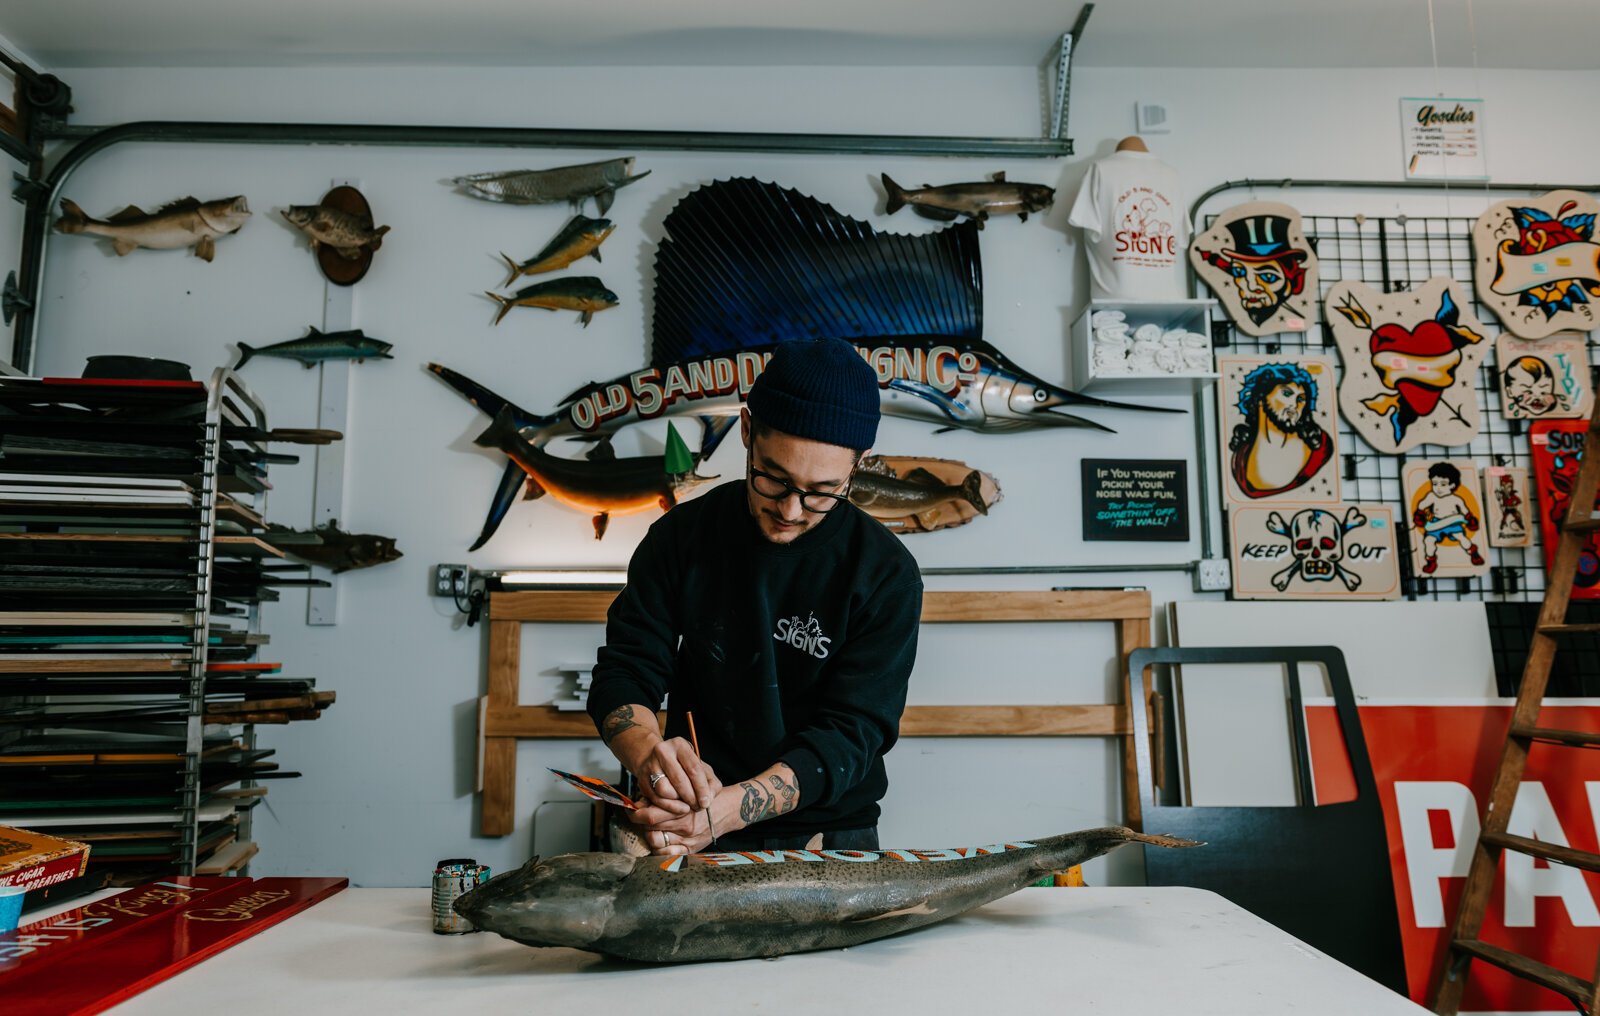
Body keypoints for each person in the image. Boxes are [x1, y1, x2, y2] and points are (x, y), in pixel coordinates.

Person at [586, 337, 924, 857]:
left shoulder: (886, 573)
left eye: (822, 491)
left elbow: (852, 733)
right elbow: (627, 669)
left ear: (859, 465)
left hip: (829, 837)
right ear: (746, 431)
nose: (791, 510)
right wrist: (649, 754)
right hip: (682, 819)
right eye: (774, 478)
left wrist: (725, 812)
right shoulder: (682, 537)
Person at [1228, 362, 1332, 498]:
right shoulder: (1240, 459)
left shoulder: (1320, 447)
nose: (1294, 405)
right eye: (1287, 393)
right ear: (1261, 397)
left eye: (1301, 399)